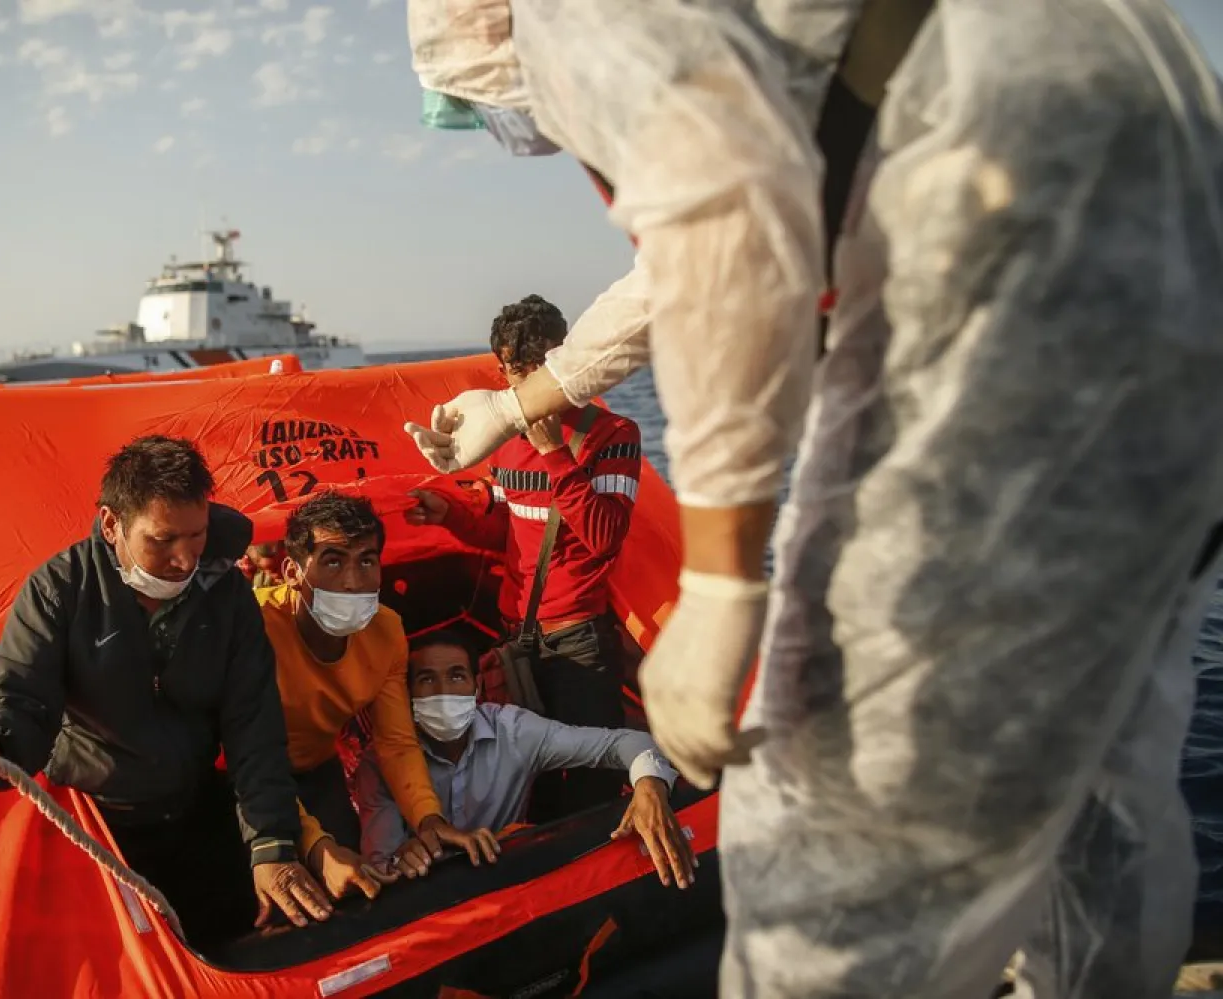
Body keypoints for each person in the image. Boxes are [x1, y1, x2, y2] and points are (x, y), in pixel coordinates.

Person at [403, 2, 1223, 996]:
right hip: (1156, 302)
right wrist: (522, 402)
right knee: (1097, 771)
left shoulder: (574, 18)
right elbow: (680, 260)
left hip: (1026, 342)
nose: (532, 130)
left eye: (488, 106)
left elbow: (724, 228)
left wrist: (716, 583)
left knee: (833, 854)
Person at [0, 435, 333, 944]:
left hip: (198, 807)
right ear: (111, 524)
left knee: (259, 938)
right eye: (162, 541)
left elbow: (254, 725)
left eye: (197, 535)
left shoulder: (226, 592)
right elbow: (23, 700)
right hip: (102, 828)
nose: (185, 560)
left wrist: (272, 847)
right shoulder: (58, 591)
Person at [407, 294, 643, 819]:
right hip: (517, 638)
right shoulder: (503, 437)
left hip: (579, 643)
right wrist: (448, 513)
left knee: (590, 785)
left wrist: (556, 455)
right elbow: (508, 534)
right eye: (508, 368)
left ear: (560, 361)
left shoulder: (614, 434)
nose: (516, 382)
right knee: (528, 782)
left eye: (527, 367)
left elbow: (605, 536)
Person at [256, 491, 500, 902]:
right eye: (333, 561)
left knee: (356, 887)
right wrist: (317, 848)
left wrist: (428, 818)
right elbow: (253, 759)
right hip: (239, 781)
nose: (353, 581)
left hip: (316, 769)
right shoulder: (255, 628)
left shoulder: (386, 631)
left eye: (366, 561)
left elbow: (396, 742)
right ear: (292, 572)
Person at [356, 629, 696, 890]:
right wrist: (404, 856)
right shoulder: (379, 761)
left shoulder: (513, 731)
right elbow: (382, 863)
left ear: (477, 688)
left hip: (511, 886)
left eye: (456, 676)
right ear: (406, 695)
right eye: (427, 679)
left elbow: (622, 743)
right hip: (436, 906)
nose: (443, 691)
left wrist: (650, 785)